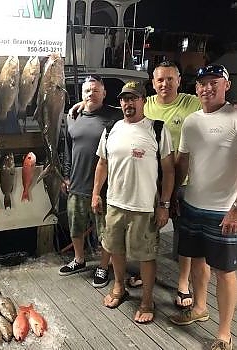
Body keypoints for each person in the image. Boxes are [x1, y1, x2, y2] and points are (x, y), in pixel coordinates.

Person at [92, 81, 175, 323]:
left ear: (143, 101)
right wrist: (96, 192)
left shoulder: (157, 130)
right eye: (124, 99)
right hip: (115, 203)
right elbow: (102, 164)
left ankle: (147, 300)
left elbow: (169, 171)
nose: (128, 103)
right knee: (115, 248)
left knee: (146, 255)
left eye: (134, 98)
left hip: (144, 207)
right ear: (120, 103)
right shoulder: (111, 129)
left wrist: (165, 204)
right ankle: (119, 286)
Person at [169, 64, 237, 350]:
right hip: (192, 204)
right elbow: (183, 161)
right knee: (197, 261)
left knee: (225, 272)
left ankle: (224, 334)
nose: (207, 88)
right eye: (202, 84)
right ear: (195, 88)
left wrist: (236, 209)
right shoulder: (191, 121)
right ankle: (199, 308)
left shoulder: (235, 117)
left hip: (224, 210)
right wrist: (174, 195)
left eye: (214, 82)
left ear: (226, 85)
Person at [143, 61, 202, 308]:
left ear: (179, 80)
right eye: (160, 80)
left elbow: (222, 108)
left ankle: (183, 283)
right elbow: (117, 113)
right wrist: (82, 104)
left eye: (170, 79)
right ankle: (145, 272)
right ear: (153, 83)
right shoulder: (145, 105)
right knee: (148, 230)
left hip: (186, 182)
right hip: (152, 182)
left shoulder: (191, 103)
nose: (165, 84)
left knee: (184, 234)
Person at [58, 74, 122, 289]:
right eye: (87, 90)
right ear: (81, 93)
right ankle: (79, 259)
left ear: (104, 93)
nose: (91, 94)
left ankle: (103, 266)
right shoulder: (72, 117)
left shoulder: (115, 115)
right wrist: (66, 175)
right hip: (76, 183)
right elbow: (68, 148)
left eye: (96, 90)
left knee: (105, 231)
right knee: (75, 226)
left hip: (103, 187)